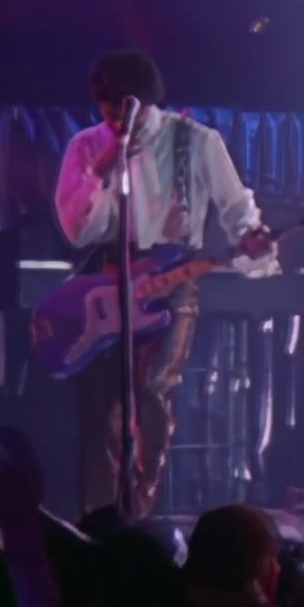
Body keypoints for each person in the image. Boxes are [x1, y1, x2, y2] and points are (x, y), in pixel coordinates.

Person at [54, 49, 278, 518]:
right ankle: (100, 520)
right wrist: (101, 172)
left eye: (123, 109)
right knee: (101, 408)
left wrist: (252, 242)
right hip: (105, 280)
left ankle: (139, 514)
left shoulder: (195, 140)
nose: (115, 119)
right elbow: (78, 231)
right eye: (107, 109)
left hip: (171, 279)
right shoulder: (86, 146)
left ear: (144, 101)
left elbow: (236, 207)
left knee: (152, 389)